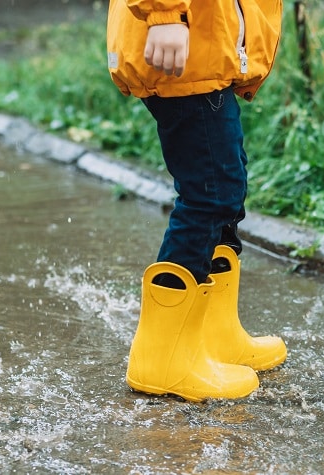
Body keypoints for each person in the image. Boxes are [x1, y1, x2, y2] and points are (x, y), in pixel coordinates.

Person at [106, 0, 287, 402]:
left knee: (227, 187)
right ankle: (162, 359)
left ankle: (214, 338)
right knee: (210, 193)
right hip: (183, 48)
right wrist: (165, 14)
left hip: (205, 51)